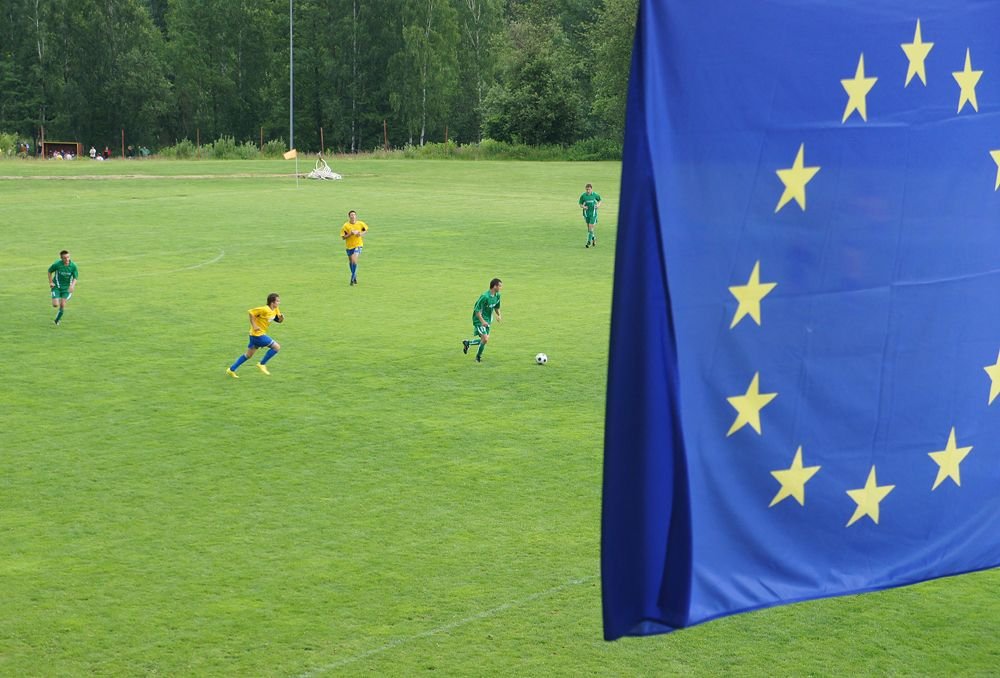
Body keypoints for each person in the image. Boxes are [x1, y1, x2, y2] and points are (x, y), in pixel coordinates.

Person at [226, 293, 284, 378]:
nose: (279, 302)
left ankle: (231, 370)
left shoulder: (275, 309)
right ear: (272, 302)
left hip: (255, 335)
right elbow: (251, 312)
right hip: (258, 335)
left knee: (248, 355)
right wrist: (254, 326)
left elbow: (277, 320)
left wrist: (281, 319)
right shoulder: (264, 309)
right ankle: (262, 364)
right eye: (278, 301)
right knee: (276, 347)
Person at [462, 278, 503, 363]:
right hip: (479, 320)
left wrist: (499, 315)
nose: (501, 288)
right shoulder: (485, 297)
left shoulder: (497, 296)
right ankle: (478, 358)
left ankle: (468, 343)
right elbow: (477, 310)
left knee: (484, 340)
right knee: (485, 339)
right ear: (494, 286)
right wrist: (482, 321)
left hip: (488, 320)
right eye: (500, 286)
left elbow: (496, 307)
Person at [47, 250, 79, 325]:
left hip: (67, 288)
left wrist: (72, 286)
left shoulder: (73, 266)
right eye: (65, 258)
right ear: (61, 258)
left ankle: (57, 320)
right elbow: (49, 271)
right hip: (56, 286)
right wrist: (51, 282)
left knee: (62, 304)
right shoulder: (57, 264)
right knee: (55, 304)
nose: (67, 259)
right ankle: (57, 296)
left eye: (68, 257)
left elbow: (75, 277)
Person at [340, 210, 369, 286]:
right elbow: (343, 237)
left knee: (354, 260)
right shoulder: (346, 226)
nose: (353, 216)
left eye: (354, 215)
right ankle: (354, 275)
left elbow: (365, 230)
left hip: (358, 245)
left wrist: (360, 234)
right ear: (349, 216)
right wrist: (350, 234)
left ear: (356, 216)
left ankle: (352, 278)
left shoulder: (360, 224)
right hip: (349, 246)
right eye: (351, 215)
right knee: (351, 262)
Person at [578, 183, 602, 248]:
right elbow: (580, 204)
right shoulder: (583, 196)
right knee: (589, 228)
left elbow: (600, 200)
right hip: (586, 213)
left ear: (591, 189)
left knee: (590, 227)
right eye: (587, 189)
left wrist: (598, 205)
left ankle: (588, 242)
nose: (588, 191)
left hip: (593, 214)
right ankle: (593, 238)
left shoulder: (595, 195)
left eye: (589, 189)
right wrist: (584, 207)